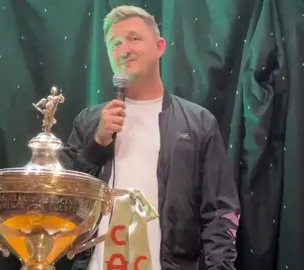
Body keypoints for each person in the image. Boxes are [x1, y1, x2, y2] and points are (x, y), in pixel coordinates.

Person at [59, 5, 240, 270]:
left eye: (134, 38)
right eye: (115, 43)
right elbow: (62, 202)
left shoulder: (198, 122)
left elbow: (220, 211)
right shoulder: (89, 121)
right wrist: (96, 145)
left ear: (159, 46)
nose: (124, 49)